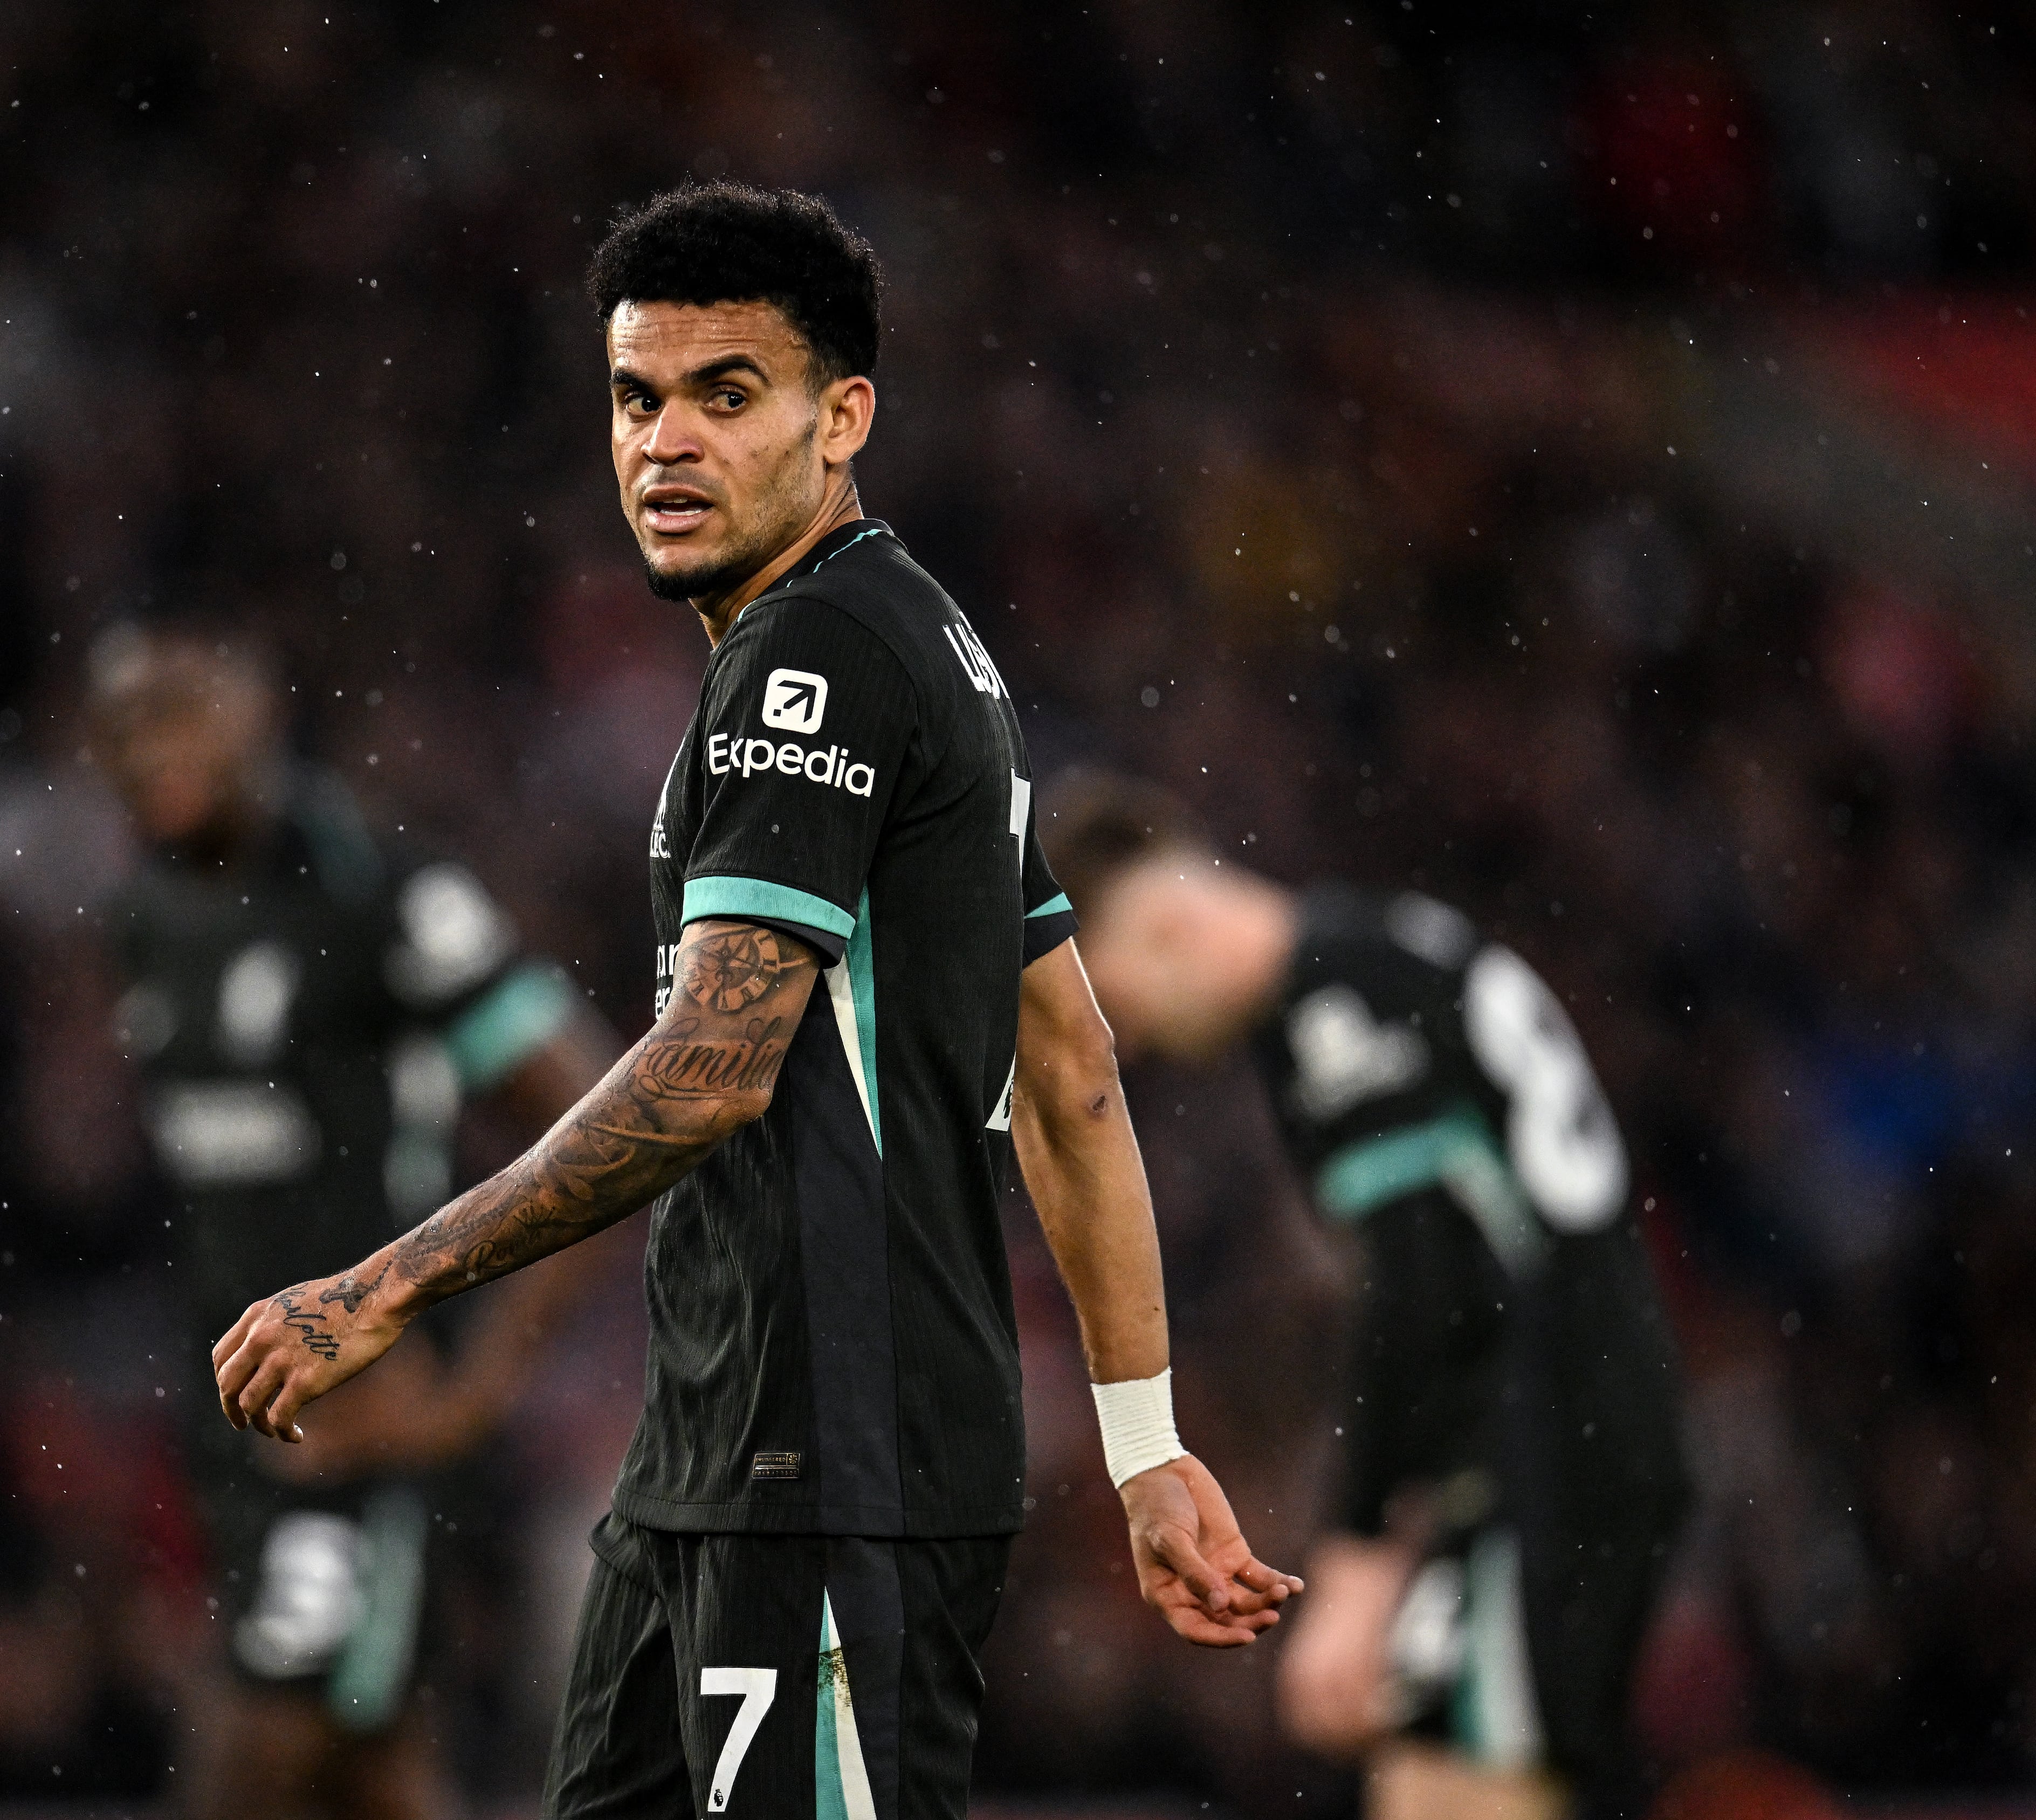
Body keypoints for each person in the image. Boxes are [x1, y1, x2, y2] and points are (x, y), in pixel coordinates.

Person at [210, 182, 1299, 1820]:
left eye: (726, 395)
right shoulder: (914, 643)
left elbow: (713, 1068)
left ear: (841, 417)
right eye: (635, 397)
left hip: (830, 1463)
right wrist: (1140, 1443)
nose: (665, 442)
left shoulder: (823, 655)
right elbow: (1070, 1063)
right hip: (721, 1466)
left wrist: (384, 1286)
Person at [1038, 771, 1689, 1820]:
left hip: (1549, 1455)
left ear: (1162, 927)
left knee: (1470, 1791)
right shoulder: (1382, 953)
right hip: (1556, 1442)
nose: (1132, 1043)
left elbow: (1428, 1285)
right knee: (1426, 1782)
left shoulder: (1341, 1001)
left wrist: (1359, 1553)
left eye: (1113, 1002)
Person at [90, 623, 618, 1820]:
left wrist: (466, 1396)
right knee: (370, 1773)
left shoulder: (380, 892)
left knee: (259, 1751)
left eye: (182, 706)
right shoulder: (145, 914)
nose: (151, 745)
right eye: (125, 721)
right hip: (236, 1424)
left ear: (258, 704)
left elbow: (599, 1132)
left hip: (358, 1419)